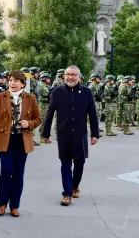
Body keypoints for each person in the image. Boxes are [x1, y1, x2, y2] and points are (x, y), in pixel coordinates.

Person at [42, 65, 99, 206]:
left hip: (80, 133)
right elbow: (50, 113)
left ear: (79, 77)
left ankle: (75, 185)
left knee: (80, 162)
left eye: (74, 74)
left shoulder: (86, 92)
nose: (70, 77)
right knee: (65, 163)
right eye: (68, 74)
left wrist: (95, 134)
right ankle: (67, 193)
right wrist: (46, 132)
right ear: (64, 76)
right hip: (63, 133)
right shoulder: (57, 92)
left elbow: (92, 114)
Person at [0, 70, 41, 217]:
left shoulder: (30, 98)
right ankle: (2, 203)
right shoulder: (0, 97)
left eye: (16, 81)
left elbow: (38, 119)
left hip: (22, 141)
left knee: (18, 174)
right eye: (11, 80)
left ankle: (14, 205)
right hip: (5, 140)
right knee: (6, 171)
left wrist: (28, 123)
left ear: (23, 84)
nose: (12, 83)